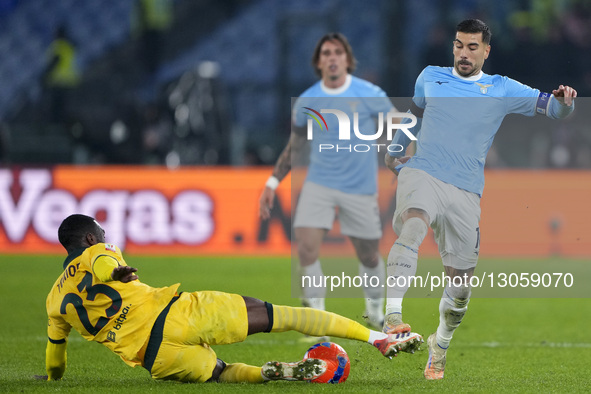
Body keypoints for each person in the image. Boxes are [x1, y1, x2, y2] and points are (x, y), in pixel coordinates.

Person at [382, 19, 577, 380]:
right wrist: (394, 152)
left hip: (466, 190)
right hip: (423, 171)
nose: (463, 53)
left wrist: (565, 103)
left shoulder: (502, 89)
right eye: (458, 45)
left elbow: (552, 108)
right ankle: (392, 313)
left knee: (459, 290)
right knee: (413, 224)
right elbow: (414, 116)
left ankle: (439, 345)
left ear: (486, 51)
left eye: (472, 47)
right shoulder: (430, 77)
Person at [40, 214, 423, 383]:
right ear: (89, 239)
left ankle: (271, 373)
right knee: (279, 315)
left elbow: (56, 359)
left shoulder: (53, 299)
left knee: (221, 373)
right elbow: (105, 265)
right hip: (179, 315)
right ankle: (380, 339)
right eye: (101, 233)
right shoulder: (98, 253)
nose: (105, 237)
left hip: (155, 358)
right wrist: (115, 272)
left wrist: (51, 377)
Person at [259, 33, 397, 331]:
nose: (332, 58)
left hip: (360, 186)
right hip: (319, 184)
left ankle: (375, 311)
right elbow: (296, 145)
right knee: (306, 249)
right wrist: (272, 182)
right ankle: (318, 318)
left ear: (347, 60)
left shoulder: (370, 93)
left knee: (369, 253)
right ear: (318, 62)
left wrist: (398, 160)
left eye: (337, 53)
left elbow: (396, 126)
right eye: (326, 53)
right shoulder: (308, 100)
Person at [42, 25, 81, 123]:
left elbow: (53, 63)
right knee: (66, 109)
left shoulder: (58, 47)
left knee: (56, 109)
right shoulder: (69, 47)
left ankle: (55, 128)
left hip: (58, 83)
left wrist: (44, 77)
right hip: (70, 82)